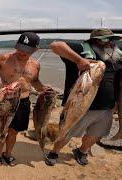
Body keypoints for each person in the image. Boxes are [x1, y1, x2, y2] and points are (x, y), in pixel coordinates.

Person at [45, 28, 122, 166]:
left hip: (107, 108)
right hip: (79, 106)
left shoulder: (117, 56)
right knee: (66, 132)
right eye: (106, 40)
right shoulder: (81, 49)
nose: (111, 43)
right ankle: (55, 152)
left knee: (96, 134)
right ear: (94, 42)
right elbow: (55, 45)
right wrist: (79, 60)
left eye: (112, 40)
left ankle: (82, 151)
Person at [0, 32, 49, 167]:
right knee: (1, 130)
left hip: (23, 102)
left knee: (14, 131)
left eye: (27, 50)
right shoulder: (3, 58)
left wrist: (43, 88)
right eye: (20, 48)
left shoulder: (36, 65)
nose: (22, 52)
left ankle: (8, 154)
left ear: (35, 49)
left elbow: (34, 81)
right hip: (5, 100)